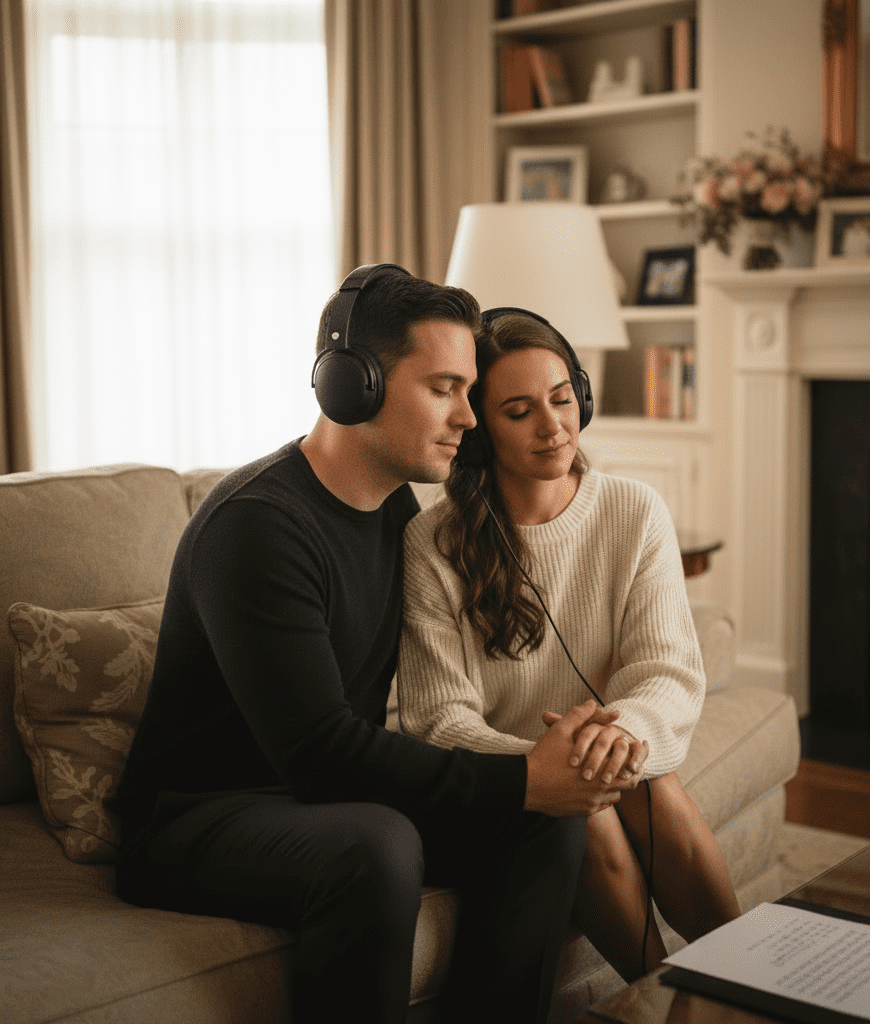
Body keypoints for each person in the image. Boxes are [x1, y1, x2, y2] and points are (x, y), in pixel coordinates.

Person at [112, 266, 640, 1024]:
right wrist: (521, 776)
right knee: (379, 840)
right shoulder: (257, 527)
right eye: (444, 388)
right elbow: (321, 751)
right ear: (351, 386)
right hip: (196, 821)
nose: (469, 416)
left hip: (320, 798)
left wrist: (560, 758)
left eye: (470, 392)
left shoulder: (401, 515)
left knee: (545, 818)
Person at [398, 308, 742, 983]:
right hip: (501, 782)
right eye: (520, 410)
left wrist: (617, 736)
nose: (552, 425)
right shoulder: (431, 544)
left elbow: (665, 670)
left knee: (649, 783)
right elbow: (438, 720)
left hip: (603, 757)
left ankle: (753, 978)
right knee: (590, 813)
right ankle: (663, 992)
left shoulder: (633, 510)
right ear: (479, 431)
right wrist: (548, 765)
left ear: (580, 396)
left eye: (561, 399)